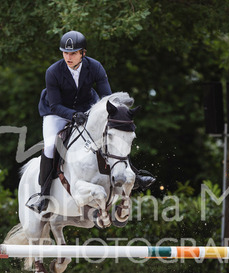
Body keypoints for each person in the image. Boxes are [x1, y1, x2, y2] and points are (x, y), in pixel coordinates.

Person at [27, 30, 155, 213]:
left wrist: (115, 114)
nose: (68, 57)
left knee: (112, 135)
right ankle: (43, 194)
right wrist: (73, 115)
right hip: (57, 112)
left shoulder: (95, 67)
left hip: (87, 108)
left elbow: (107, 98)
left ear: (83, 53)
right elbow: (55, 105)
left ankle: (133, 173)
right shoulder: (53, 72)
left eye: (73, 53)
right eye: (65, 53)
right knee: (49, 146)